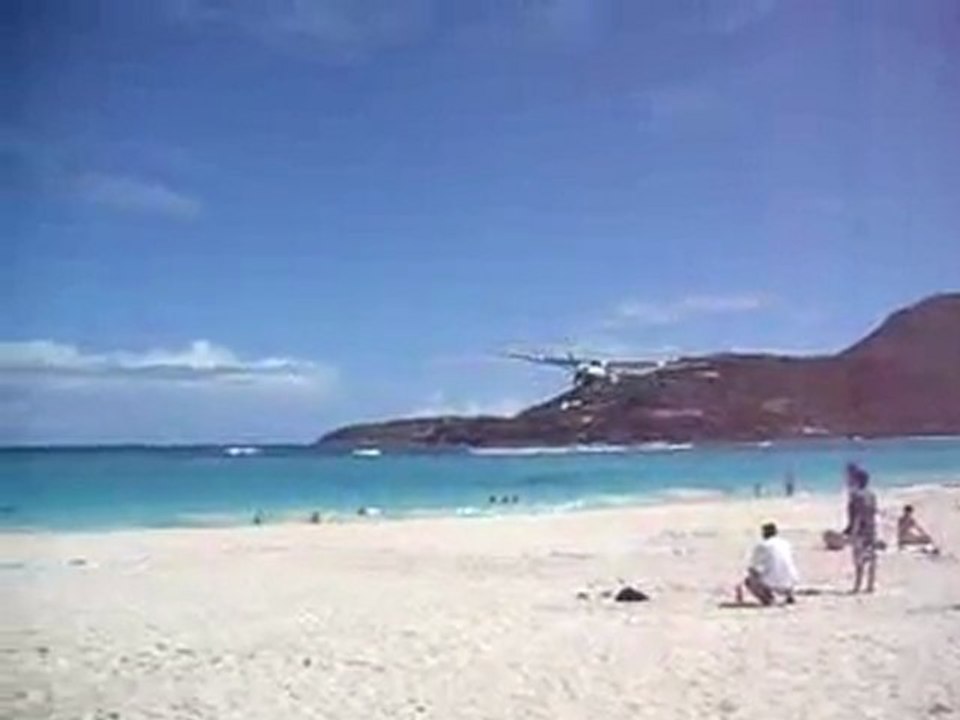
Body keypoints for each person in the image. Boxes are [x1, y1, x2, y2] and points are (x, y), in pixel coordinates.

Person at [737, 522, 799, 606]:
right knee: (784, 568)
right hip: (791, 582)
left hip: (773, 583)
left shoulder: (762, 545)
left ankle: (767, 598)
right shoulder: (785, 543)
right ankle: (789, 595)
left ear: (764, 533)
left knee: (750, 579)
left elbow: (753, 567)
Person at [843, 463, 878, 593]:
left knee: (859, 559)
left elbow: (857, 515)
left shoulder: (856, 496)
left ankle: (857, 586)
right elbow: (873, 512)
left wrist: (853, 532)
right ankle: (870, 585)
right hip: (871, 528)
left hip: (861, 529)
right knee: (871, 558)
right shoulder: (871, 495)